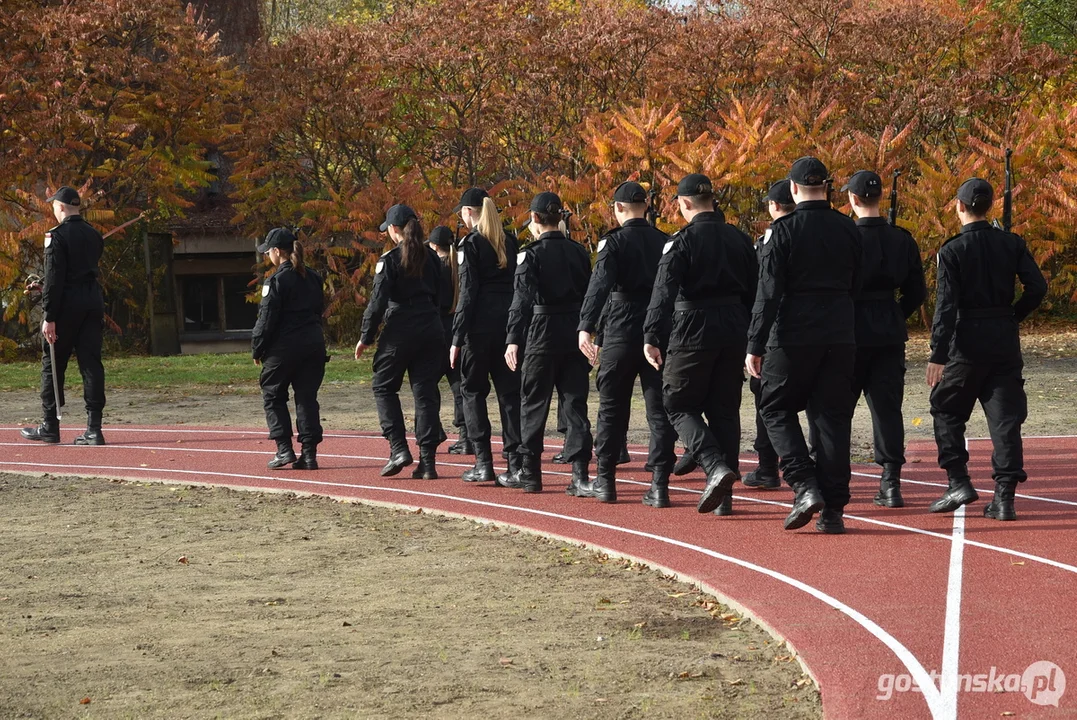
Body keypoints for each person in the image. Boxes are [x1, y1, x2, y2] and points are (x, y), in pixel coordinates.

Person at [745, 157, 862, 534]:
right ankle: (834, 511)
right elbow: (858, 285)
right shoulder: (850, 230)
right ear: (827, 186)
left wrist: (755, 343)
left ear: (793, 190)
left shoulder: (783, 232)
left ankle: (804, 483)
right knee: (832, 419)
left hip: (793, 336)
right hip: (840, 334)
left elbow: (768, 294)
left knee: (774, 408)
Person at [926, 178, 1046, 521]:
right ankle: (1004, 497)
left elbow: (945, 307)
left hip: (966, 341)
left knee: (946, 410)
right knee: (1006, 420)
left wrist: (938, 355)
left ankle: (958, 481)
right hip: (1003, 339)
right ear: (989, 207)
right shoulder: (1012, 243)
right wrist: (1013, 315)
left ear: (959, 206)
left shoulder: (951, 250)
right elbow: (1037, 287)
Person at [643, 174, 757, 516]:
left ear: (685, 203)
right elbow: (755, 290)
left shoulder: (681, 241)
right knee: (724, 409)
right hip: (735, 326)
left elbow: (663, 291)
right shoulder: (740, 238)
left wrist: (651, 335)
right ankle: (725, 499)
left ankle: (713, 466)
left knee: (676, 403)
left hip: (693, 327)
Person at [578, 181, 676, 505]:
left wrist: (586, 327)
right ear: (646, 206)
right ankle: (659, 485)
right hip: (657, 332)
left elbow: (599, 284)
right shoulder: (666, 241)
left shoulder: (613, 242)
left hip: (621, 328)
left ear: (618, 208)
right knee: (659, 412)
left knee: (611, 409)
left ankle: (605, 481)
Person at [844, 170, 927, 507]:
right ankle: (891, 482)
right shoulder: (902, 239)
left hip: (847, 330)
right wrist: (893, 314)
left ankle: (832, 479)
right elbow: (916, 292)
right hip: (889, 332)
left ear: (852, 199)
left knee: (836, 410)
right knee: (888, 410)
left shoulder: (843, 238)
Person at [502, 192, 593, 493]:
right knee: (575, 403)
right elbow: (591, 295)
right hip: (574, 330)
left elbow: (521, 299)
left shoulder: (531, 254)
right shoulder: (579, 252)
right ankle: (579, 474)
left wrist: (513, 338)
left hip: (542, 331)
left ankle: (530, 472)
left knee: (533, 404)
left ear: (536, 218)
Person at [357, 204, 445, 480]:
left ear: (394, 230)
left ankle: (398, 448)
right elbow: (442, 295)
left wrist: (366, 337)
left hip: (400, 327)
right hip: (431, 325)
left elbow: (377, 302)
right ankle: (428, 462)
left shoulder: (390, 259)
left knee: (383, 386)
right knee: (425, 392)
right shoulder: (433, 258)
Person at [21, 186, 107, 446]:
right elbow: (78, 272)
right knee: (91, 364)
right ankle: (94, 429)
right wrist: (45, 285)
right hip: (92, 301)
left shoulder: (55, 236)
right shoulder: (94, 235)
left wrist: (49, 315)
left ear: (59, 207)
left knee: (53, 365)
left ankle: (50, 424)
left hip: (66, 306)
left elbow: (57, 278)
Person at [449, 188, 522, 483]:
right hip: (508, 329)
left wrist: (456, 337)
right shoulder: (512, 242)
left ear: (468, 212)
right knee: (510, 396)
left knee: (473, 392)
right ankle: (516, 463)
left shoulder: (471, 245)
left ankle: (483, 462)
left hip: (479, 330)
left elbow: (467, 294)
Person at [251, 228, 327, 470]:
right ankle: (309, 454)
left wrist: (257, 348)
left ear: (276, 252)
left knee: (273, 395)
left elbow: (266, 319)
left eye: (268, 252)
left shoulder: (275, 281)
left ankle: (284, 449)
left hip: (284, 347)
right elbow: (319, 310)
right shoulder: (314, 277)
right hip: (313, 344)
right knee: (306, 398)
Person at [742, 180, 798, 490]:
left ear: (774, 206)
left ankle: (768, 466)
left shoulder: (767, 242)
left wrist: (753, 339)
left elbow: (760, 293)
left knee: (767, 403)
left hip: (775, 333)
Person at [428, 226, 470, 456]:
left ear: (434, 246)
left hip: (438, 328)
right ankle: (466, 435)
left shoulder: (434, 269)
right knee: (460, 386)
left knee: (427, 384)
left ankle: (434, 429)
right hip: (458, 328)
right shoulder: (459, 267)